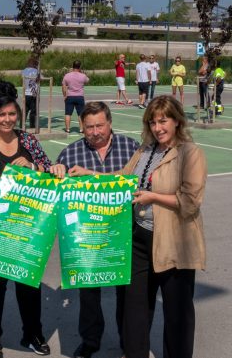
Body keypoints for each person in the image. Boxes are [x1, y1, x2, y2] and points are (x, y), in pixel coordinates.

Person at [0, 79, 67, 358]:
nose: (8, 120)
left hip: (29, 229)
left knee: (28, 284)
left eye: (12, 114)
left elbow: (49, 172)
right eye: (1, 115)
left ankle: (32, 334)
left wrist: (35, 166)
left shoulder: (29, 141)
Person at [119, 95, 207, 358]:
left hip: (174, 241)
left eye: (163, 121)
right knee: (134, 310)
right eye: (153, 122)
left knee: (177, 312)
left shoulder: (190, 153)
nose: (158, 128)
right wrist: (90, 175)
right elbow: (122, 180)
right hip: (139, 239)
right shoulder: (145, 150)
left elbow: (191, 202)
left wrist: (152, 196)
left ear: (177, 121)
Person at [56, 101, 140, 358]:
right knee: (89, 293)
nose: (95, 132)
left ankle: (130, 342)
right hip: (87, 238)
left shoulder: (131, 147)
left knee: (127, 293)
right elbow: (56, 194)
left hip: (124, 233)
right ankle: (90, 341)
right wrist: (54, 171)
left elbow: (136, 182)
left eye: (99, 125)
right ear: (82, 127)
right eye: (89, 127)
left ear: (110, 123)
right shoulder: (70, 154)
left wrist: (91, 175)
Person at [62, 60, 90, 134]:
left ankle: (67, 129)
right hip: (79, 96)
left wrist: (64, 95)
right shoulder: (82, 76)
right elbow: (88, 81)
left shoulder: (67, 75)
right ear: (79, 67)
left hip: (70, 96)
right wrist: (83, 74)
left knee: (68, 113)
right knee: (80, 114)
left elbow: (64, 86)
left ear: (72, 66)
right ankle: (81, 129)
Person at [22, 56, 40, 129]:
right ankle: (32, 126)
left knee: (25, 110)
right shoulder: (36, 71)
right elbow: (39, 79)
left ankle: (22, 124)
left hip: (26, 92)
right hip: (33, 93)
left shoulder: (24, 70)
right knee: (33, 111)